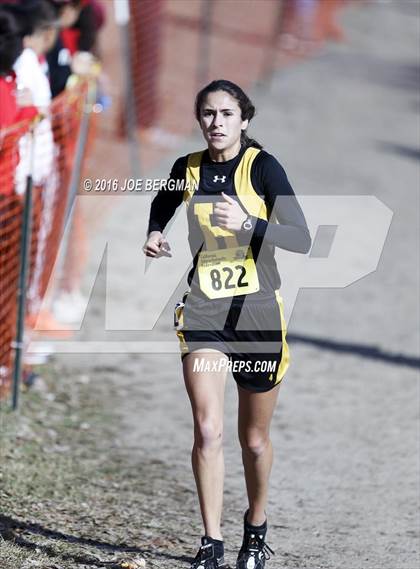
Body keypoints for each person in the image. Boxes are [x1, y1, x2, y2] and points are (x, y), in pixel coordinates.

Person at [143, 79, 311, 569]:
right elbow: (163, 202)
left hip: (258, 314)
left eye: (226, 114)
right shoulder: (187, 168)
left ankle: (255, 529)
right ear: (200, 119)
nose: (216, 123)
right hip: (205, 312)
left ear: (244, 120)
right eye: (208, 114)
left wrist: (249, 225)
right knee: (207, 430)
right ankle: (210, 544)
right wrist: (156, 232)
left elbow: (301, 237)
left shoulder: (263, 169)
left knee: (253, 439)